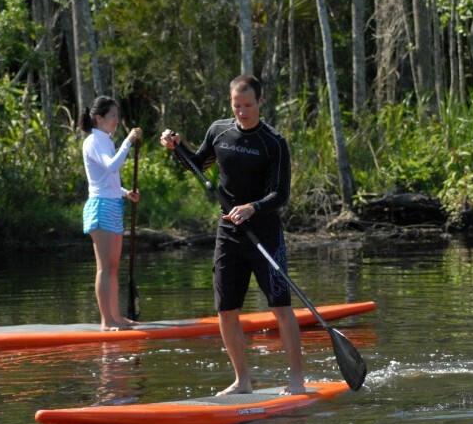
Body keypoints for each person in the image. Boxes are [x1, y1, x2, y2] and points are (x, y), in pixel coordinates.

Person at [159, 75, 305, 396]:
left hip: (265, 234)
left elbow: (281, 194)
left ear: (260, 102)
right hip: (229, 232)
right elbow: (197, 165)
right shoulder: (219, 132)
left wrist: (252, 207)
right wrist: (177, 146)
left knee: (280, 307)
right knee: (226, 310)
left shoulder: (273, 142)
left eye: (248, 105)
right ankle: (243, 381)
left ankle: (296, 379)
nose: (242, 112)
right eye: (237, 106)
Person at [79, 96, 142, 331]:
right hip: (101, 207)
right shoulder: (94, 141)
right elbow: (111, 166)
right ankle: (107, 321)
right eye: (113, 116)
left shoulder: (105, 140)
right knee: (105, 267)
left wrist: (126, 193)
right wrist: (127, 142)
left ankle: (116, 317)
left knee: (113, 266)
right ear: (99, 118)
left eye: (117, 115)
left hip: (113, 204)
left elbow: (108, 179)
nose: (117, 120)